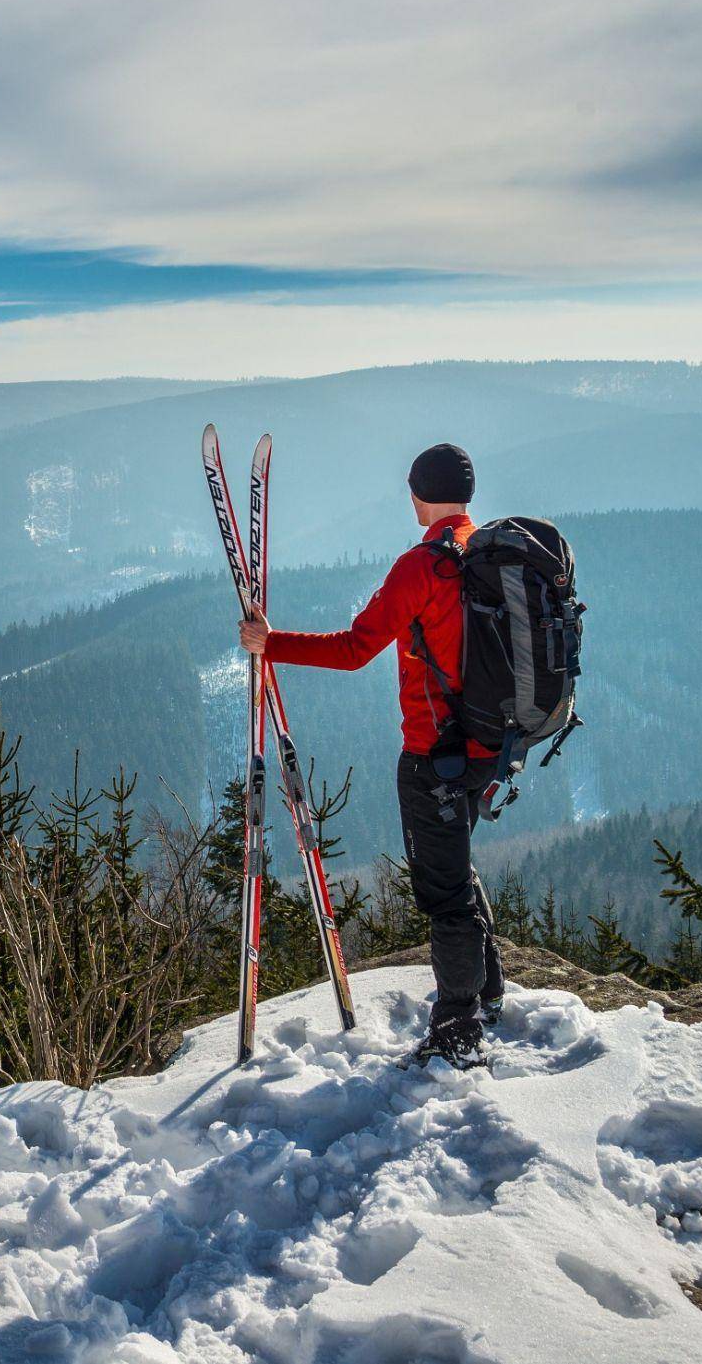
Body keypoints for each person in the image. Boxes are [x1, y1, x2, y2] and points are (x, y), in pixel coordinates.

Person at [239, 442, 504, 1069]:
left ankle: (459, 1029)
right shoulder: (487, 554)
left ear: (418, 494)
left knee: (443, 891)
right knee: (456, 868)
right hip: (488, 746)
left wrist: (271, 644)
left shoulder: (422, 567)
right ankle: (487, 991)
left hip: (432, 754)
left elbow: (355, 647)